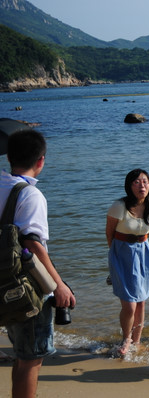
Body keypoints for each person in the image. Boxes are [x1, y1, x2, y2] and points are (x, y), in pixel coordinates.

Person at [1, 129, 76, 398]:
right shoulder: (31, 195)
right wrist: (58, 285)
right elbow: (33, 244)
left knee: (22, 356)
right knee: (31, 360)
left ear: (9, 157)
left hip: (4, 283)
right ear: (41, 160)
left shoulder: (1, 185)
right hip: (26, 288)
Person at [105, 169, 149, 355]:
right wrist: (114, 258)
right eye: (137, 182)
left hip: (143, 253)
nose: (142, 186)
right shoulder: (119, 206)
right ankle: (126, 339)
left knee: (141, 302)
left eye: (145, 182)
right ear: (129, 185)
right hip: (122, 253)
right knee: (129, 304)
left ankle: (137, 341)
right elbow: (110, 233)